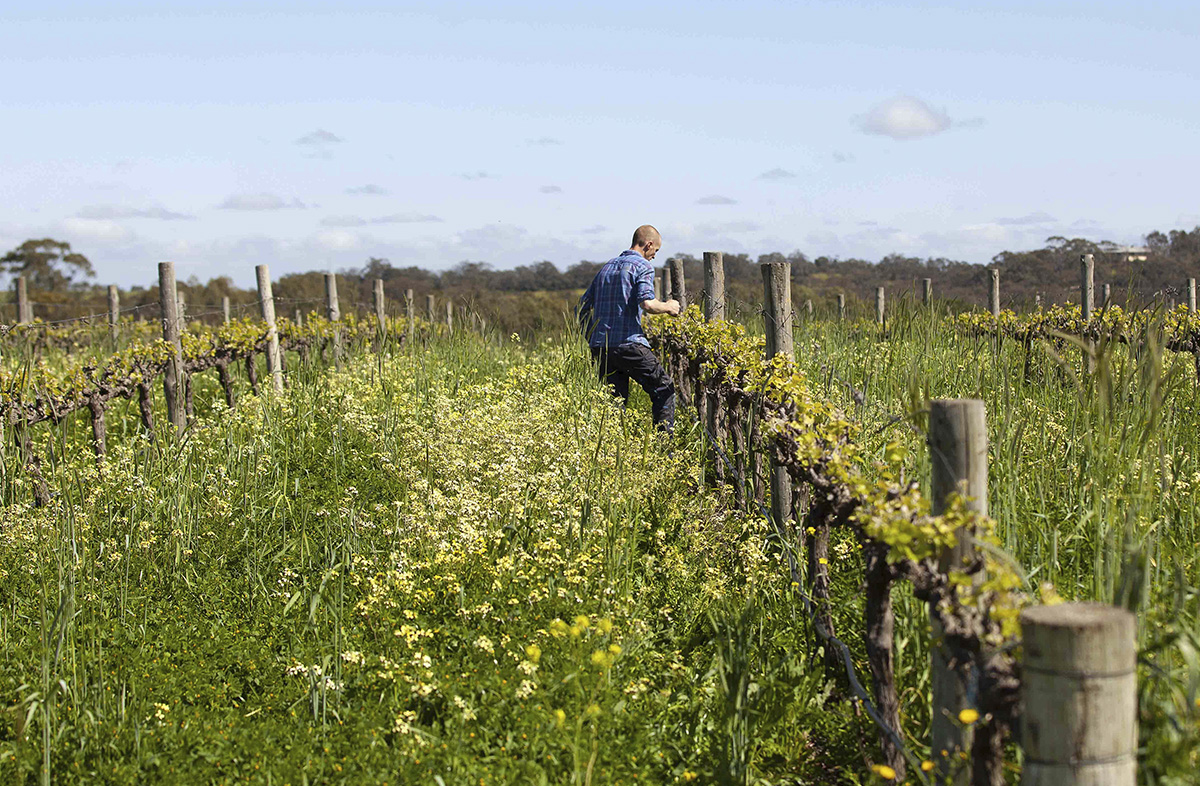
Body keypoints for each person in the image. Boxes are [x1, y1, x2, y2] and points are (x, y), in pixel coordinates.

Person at [578, 225, 681, 430]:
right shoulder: (643, 266)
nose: (654, 256)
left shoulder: (606, 268)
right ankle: (663, 444)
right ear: (648, 244)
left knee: (614, 402)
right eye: (656, 250)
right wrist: (669, 306)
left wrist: (592, 336)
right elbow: (647, 303)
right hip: (629, 344)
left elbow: (582, 307)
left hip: (601, 347)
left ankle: (614, 443)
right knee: (665, 388)